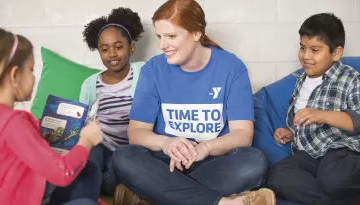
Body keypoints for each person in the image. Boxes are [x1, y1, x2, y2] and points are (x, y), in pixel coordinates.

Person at [111, 1, 275, 205]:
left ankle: (151, 197)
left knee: (253, 161)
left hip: (212, 161)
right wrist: (167, 143)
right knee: (124, 156)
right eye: (159, 37)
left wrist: (205, 148)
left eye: (171, 36)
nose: (163, 45)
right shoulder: (153, 70)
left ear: (196, 33)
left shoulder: (231, 67)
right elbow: (136, 132)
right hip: (164, 162)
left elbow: (242, 135)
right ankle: (223, 203)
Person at [0, 28, 102, 205]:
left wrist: (36, 134)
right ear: (14, 75)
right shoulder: (13, 122)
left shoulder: (3, 119)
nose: (34, 78)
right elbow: (61, 174)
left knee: (87, 171)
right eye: (31, 69)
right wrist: (86, 140)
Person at [268, 13, 360, 205]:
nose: (306, 56)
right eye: (302, 48)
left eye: (315, 50)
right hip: (311, 156)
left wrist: (322, 115)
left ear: (336, 53)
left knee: (332, 176)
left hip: (342, 151)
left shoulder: (350, 79)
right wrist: (291, 132)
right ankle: (356, 201)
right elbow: (304, 122)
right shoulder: (300, 81)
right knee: (278, 175)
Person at [78, 7, 145, 197]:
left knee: (124, 169)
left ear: (131, 46)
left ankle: (119, 187)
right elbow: (82, 120)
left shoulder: (143, 71)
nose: (112, 54)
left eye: (119, 46)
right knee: (91, 154)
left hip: (132, 152)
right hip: (102, 147)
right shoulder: (91, 84)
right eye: (104, 49)